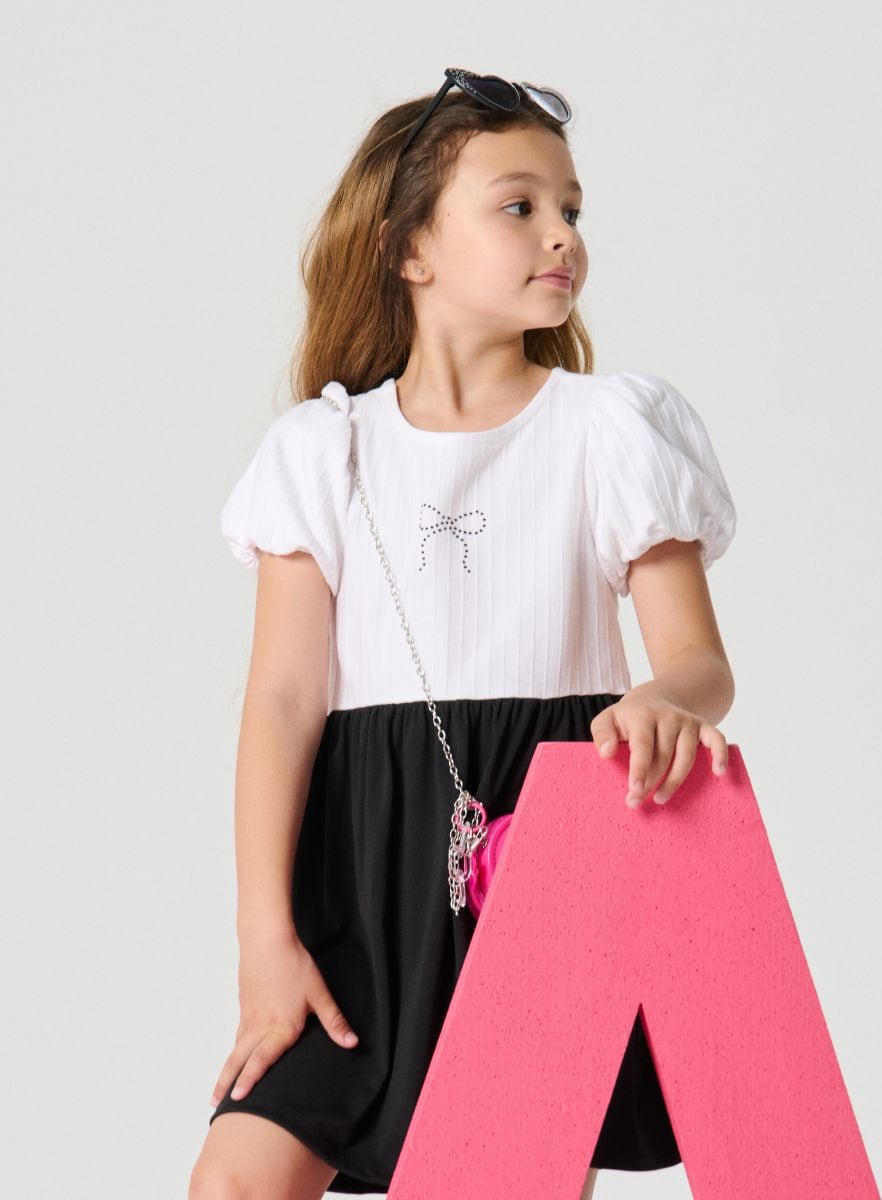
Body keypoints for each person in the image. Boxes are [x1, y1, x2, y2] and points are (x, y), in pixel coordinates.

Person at [188, 68, 737, 1200]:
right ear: (411, 250)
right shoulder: (323, 451)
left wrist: (661, 699)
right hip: (359, 886)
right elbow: (283, 703)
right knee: (234, 1182)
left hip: (548, 871)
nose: (562, 235)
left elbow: (700, 663)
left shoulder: (608, 429)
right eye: (519, 206)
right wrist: (263, 940)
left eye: (570, 208)